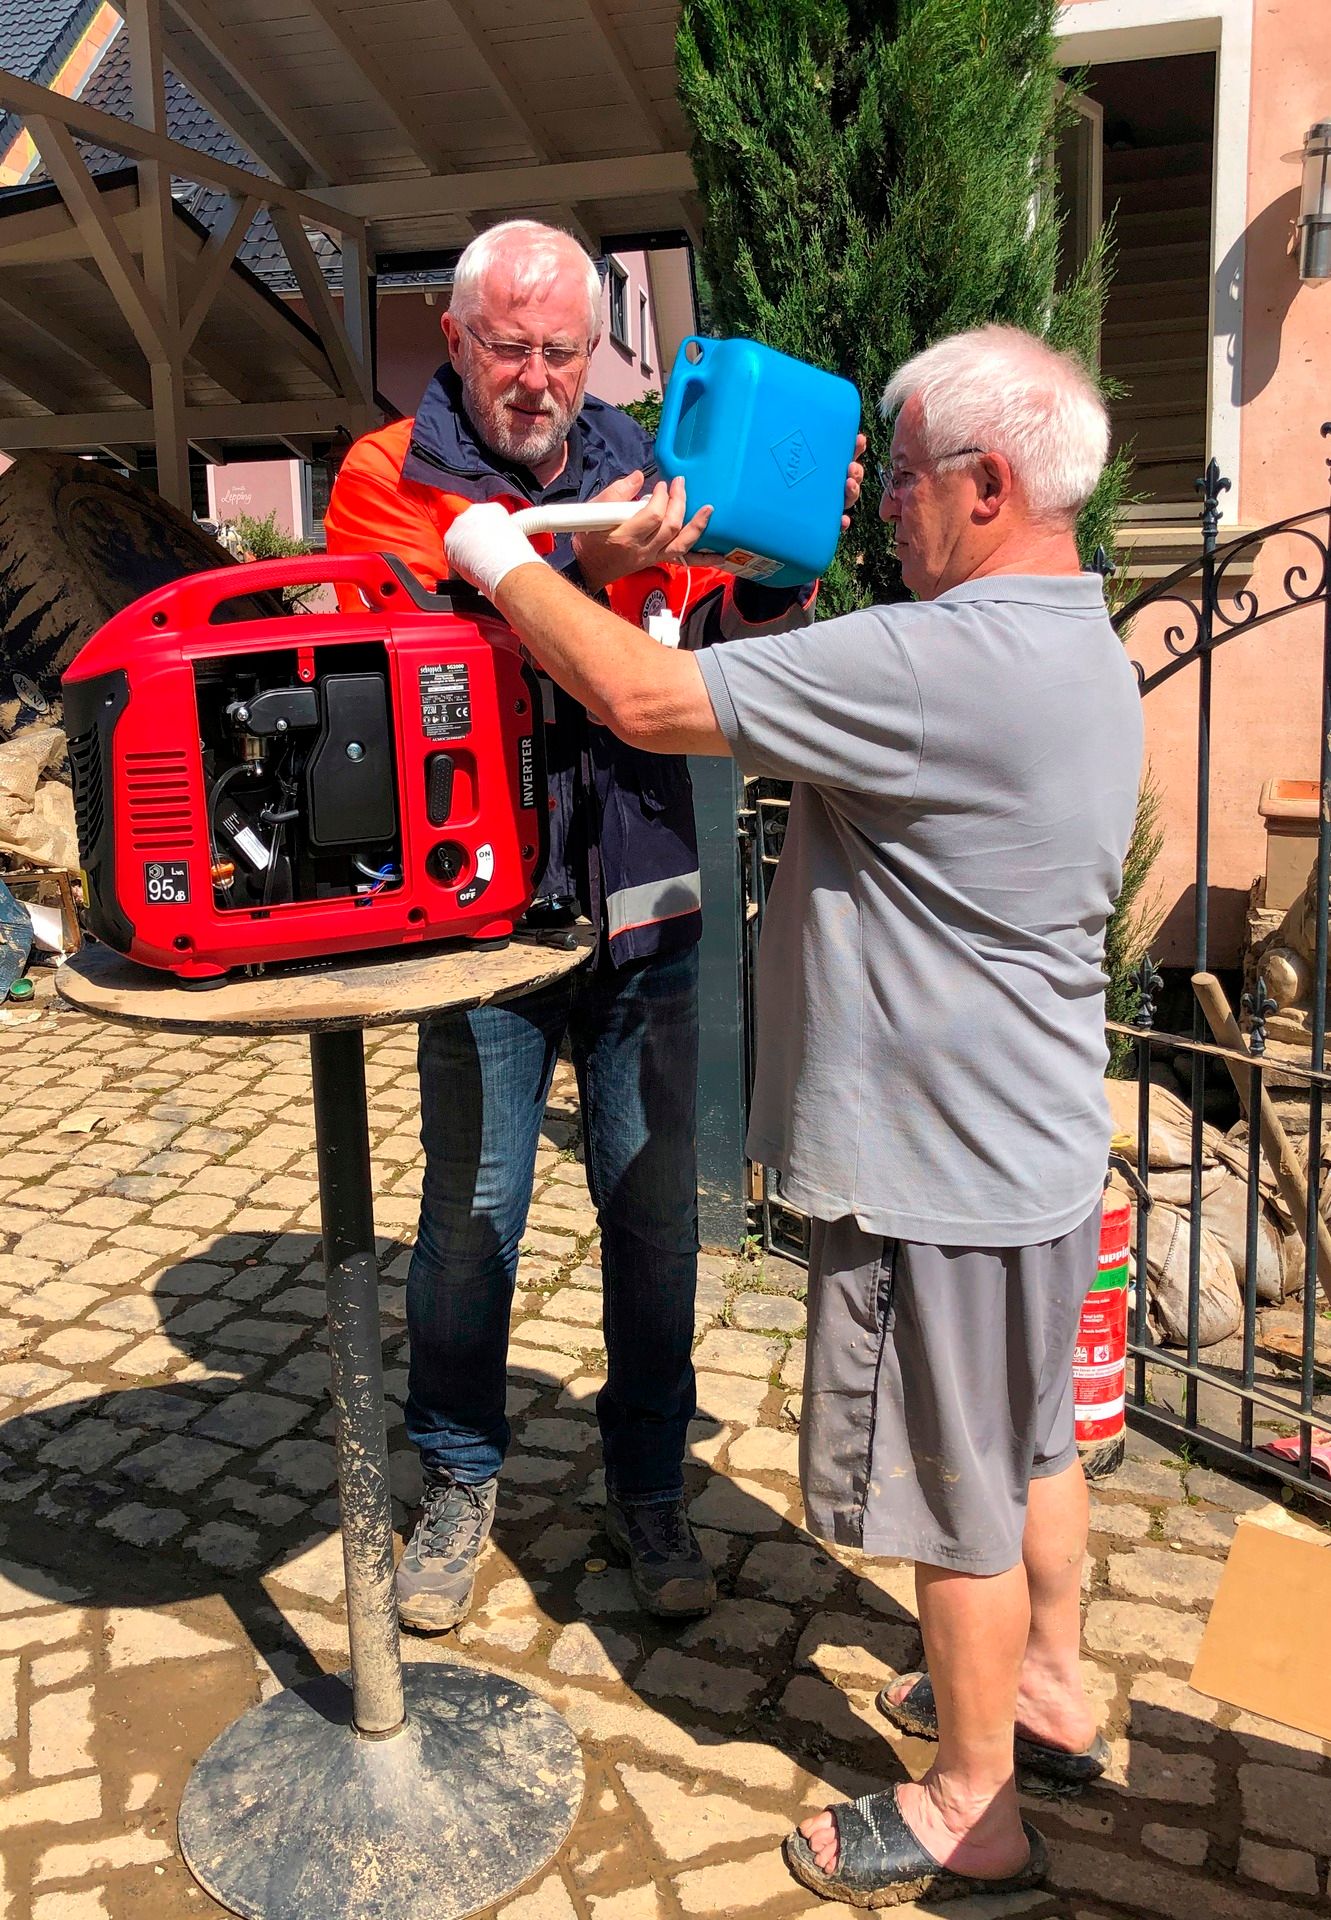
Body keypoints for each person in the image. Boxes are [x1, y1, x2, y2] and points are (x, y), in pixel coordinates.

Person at [440, 323, 1143, 1908]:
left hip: (937, 1167)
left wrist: (496, 554)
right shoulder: (1076, 639)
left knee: (952, 1489)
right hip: (1036, 1142)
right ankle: (1049, 1683)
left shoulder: (933, 661)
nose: (885, 504)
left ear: (988, 484)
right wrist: (756, 545)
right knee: (1031, 1437)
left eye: (905, 479)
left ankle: (971, 1806)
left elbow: (640, 692)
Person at [324, 220, 826, 1631]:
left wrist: (775, 556)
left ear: (595, 351)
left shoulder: (649, 472)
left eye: (563, 351)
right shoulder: (384, 478)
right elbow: (412, 658)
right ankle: (459, 1477)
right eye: (510, 347)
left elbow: (715, 658)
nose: (537, 379)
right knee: (471, 1222)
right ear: (453, 337)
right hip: (477, 922)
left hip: (647, 900)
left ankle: (651, 1485)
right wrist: (589, 582)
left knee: (655, 1220)